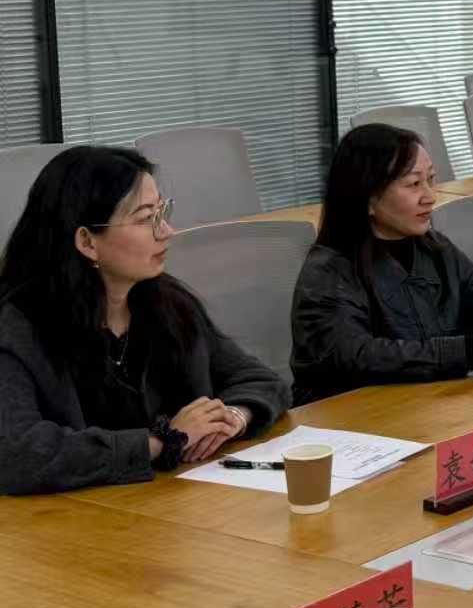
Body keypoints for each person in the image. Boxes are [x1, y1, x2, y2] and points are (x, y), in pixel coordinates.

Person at [0, 146, 288, 495]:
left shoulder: (169, 303)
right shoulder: (18, 327)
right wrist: (161, 442)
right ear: (87, 241)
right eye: (144, 218)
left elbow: (262, 380)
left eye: (162, 211)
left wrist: (232, 418)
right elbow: (17, 453)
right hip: (73, 519)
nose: (166, 230)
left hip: (172, 505)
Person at [291, 124, 473, 404]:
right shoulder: (329, 270)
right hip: (352, 415)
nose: (430, 197)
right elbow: (359, 357)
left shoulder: (437, 249)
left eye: (430, 180)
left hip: (430, 403)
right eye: (413, 184)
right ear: (368, 198)